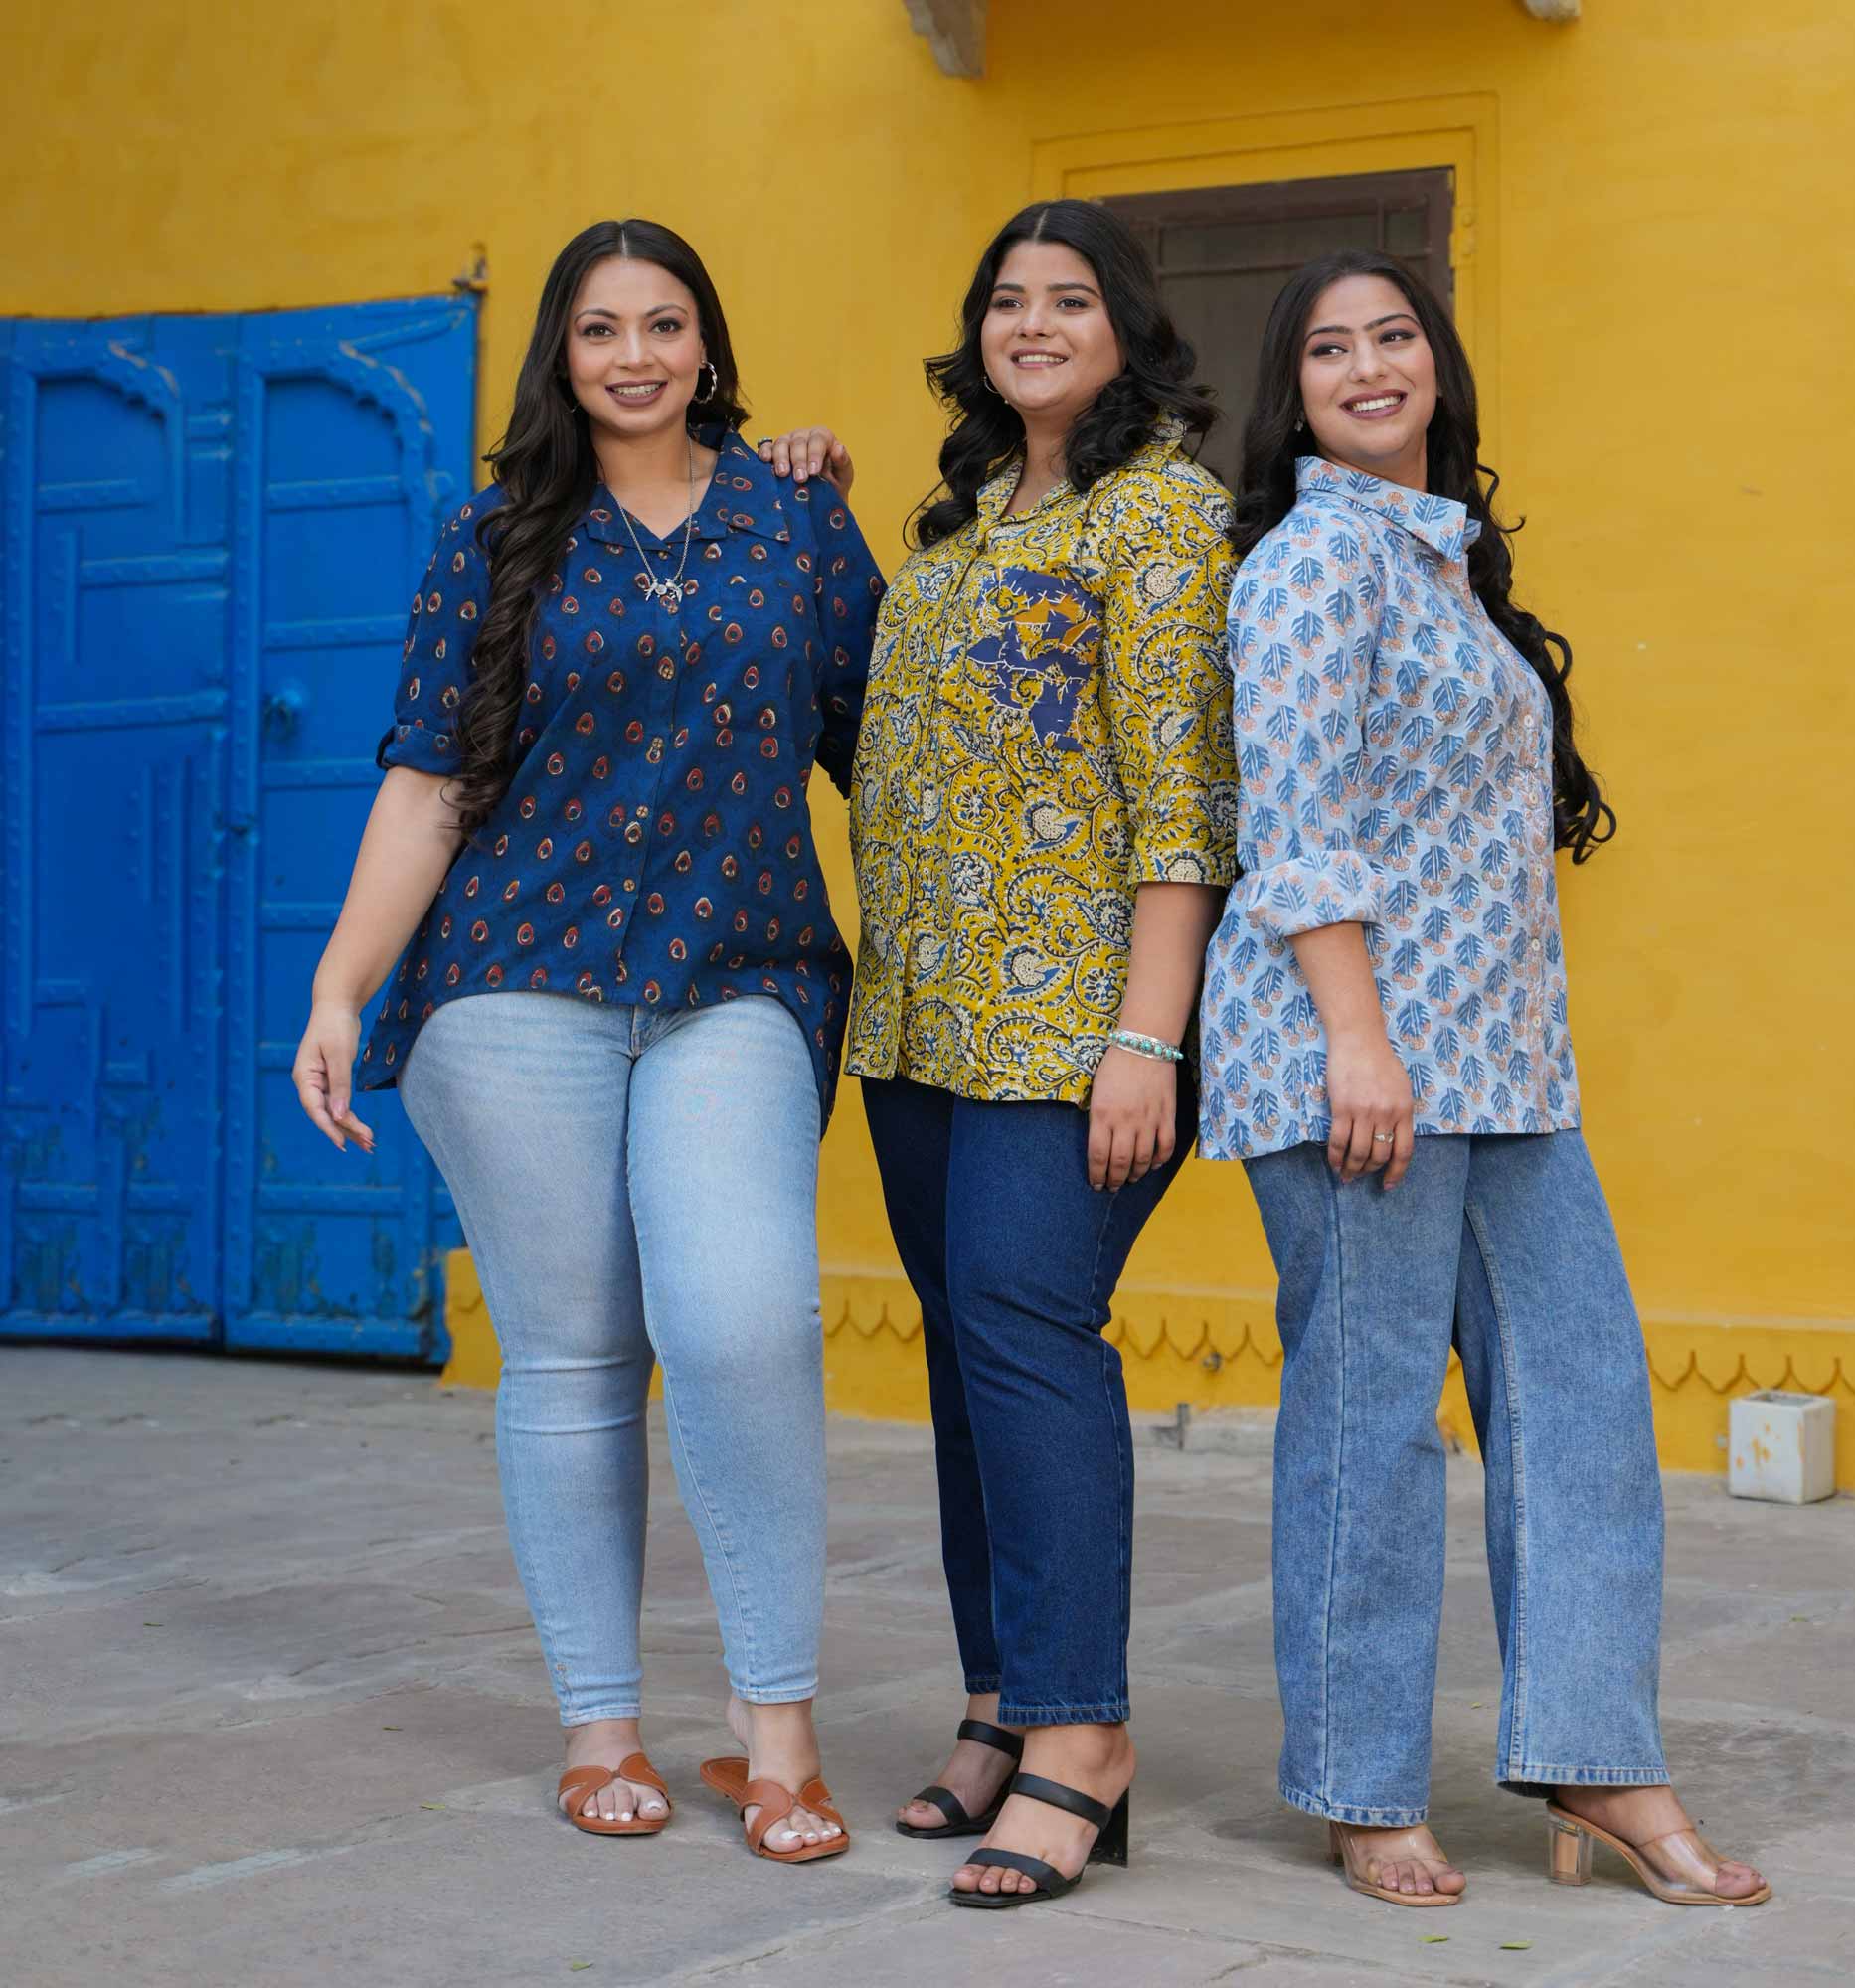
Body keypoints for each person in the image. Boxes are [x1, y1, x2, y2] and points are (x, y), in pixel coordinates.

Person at [291, 218, 881, 1862]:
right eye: (602, 328)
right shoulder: (495, 538)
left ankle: (779, 1730)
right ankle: (601, 1727)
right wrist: (343, 990)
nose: (635, 355)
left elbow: (886, 756)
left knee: (746, 1321)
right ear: (561, 353)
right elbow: (426, 783)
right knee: (571, 1356)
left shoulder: (794, 522)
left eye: (666, 324)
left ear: (708, 343)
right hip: (511, 984)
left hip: (737, 982)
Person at [1198, 249, 1770, 1909]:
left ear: (1437, 366)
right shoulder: (1311, 563)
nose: (1368, 365)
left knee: (1581, 1397)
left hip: (1504, 1062)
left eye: (1394, 338)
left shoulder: (1444, 563)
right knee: (1373, 1421)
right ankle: (1361, 1782)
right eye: (1329, 348)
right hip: (1355, 1058)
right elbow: (1295, 823)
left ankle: (1599, 1755)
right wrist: (1359, 1037)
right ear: (1291, 390)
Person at [841, 199, 1238, 1908]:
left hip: (1074, 1029)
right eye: (1006, 299)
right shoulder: (951, 528)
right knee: (964, 1353)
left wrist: (1149, 1036)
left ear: (1127, 332)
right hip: (919, 1019)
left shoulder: (1163, 517)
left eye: (1068, 299)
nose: (1031, 322)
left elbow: (1188, 805)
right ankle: (1004, 1697)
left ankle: (1083, 1737)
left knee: (1026, 1328)